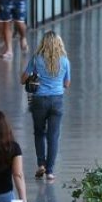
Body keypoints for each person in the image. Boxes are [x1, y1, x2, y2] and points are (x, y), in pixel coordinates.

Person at [22, 30, 71, 183]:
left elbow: (23, 79)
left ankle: (41, 164)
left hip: (39, 100)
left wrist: (34, 76)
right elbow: (67, 83)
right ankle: (50, 171)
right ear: (59, 44)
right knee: (53, 136)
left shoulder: (36, 59)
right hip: (57, 100)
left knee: (39, 133)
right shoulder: (64, 61)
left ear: (43, 43)